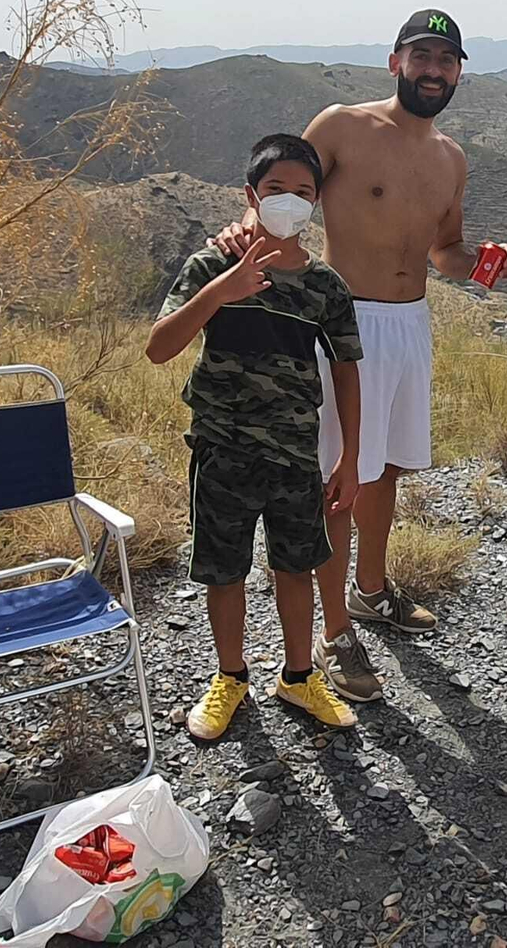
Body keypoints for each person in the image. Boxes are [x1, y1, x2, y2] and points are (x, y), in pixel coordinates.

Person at [214, 10, 507, 703]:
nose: (434, 70)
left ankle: (372, 590)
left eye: (447, 60)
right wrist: (243, 231)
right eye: (422, 56)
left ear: (459, 71)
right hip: (342, 321)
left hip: (411, 325)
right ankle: (335, 630)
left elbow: (445, 251)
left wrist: (485, 264)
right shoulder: (343, 126)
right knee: (339, 480)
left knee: (387, 472)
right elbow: (280, 192)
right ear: (395, 61)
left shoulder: (451, 158)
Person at [147, 133, 365, 739]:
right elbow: (160, 347)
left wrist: (349, 457)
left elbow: (347, 370)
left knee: (297, 567)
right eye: (276, 191)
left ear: (317, 202)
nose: (289, 202)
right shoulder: (212, 265)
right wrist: (225, 291)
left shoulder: (326, 287)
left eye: (302, 192)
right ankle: (230, 677)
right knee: (225, 569)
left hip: (296, 451)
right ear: (251, 195)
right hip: (221, 448)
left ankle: (298, 678)